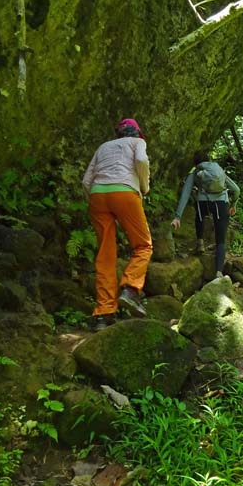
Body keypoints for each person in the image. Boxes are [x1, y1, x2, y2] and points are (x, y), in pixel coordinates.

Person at [82, 118, 153, 331]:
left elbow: (86, 180)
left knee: (105, 256)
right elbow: (141, 161)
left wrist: (95, 198)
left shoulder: (103, 147)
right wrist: (143, 186)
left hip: (97, 194)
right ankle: (131, 289)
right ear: (136, 133)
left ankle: (103, 315)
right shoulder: (137, 143)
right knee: (143, 246)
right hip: (124, 192)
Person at [171, 152, 239, 278]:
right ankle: (218, 272)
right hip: (221, 203)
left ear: (196, 163)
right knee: (220, 240)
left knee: (200, 215)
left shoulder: (196, 173)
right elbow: (236, 190)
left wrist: (178, 217)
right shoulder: (219, 171)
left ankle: (200, 243)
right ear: (209, 161)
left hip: (203, 203)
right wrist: (233, 205)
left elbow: (185, 194)